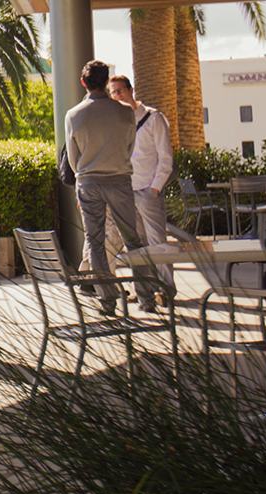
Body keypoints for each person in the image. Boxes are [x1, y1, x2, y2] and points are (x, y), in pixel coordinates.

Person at [60, 61, 154, 315]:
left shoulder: (73, 115)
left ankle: (107, 299)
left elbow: (72, 157)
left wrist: (84, 174)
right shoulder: (125, 112)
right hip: (120, 179)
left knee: (95, 240)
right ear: (106, 81)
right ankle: (146, 297)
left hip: (89, 181)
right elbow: (129, 147)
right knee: (133, 239)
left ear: (84, 83)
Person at [107, 75, 175, 309]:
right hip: (126, 192)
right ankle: (146, 293)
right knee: (136, 247)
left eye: (121, 90)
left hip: (148, 191)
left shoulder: (153, 118)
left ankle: (167, 290)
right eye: (113, 92)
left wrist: (155, 187)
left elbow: (166, 158)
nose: (118, 95)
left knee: (157, 243)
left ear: (131, 90)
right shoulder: (116, 122)